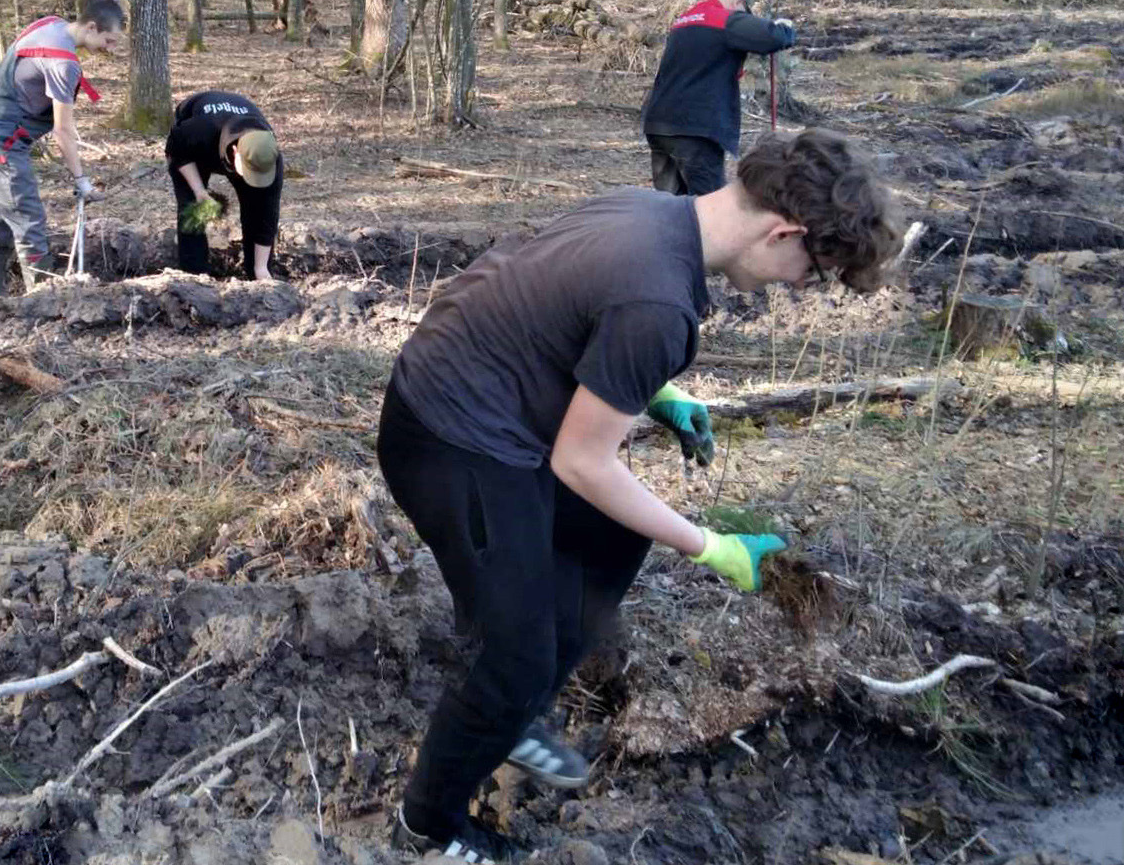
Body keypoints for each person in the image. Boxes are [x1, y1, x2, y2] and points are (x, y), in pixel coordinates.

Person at [378, 128, 902, 862]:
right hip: (448, 438)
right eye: (812, 272)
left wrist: (651, 393)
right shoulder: (659, 299)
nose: (799, 287)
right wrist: (711, 547)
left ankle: (511, 715)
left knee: (612, 537)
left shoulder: (654, 214)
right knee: (515, 653)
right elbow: (583, 464)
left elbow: (563, 311)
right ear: (785, 231)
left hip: (483, 400)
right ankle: (431, 823)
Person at [0, 0, 126, 294]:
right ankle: (45, 300)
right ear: (91, 27)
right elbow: (61, 131)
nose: (110, 48)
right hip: (2, 140)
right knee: (28, 221)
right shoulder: (63, 63)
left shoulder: (50, 24)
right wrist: (81, 181)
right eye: (109, 40)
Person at [641, 0, 797, 196]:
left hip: (659, 124)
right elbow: (773, 37)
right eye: (744, 12)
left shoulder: (685, 20)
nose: (744, 17)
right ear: (737, 1)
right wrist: (785, 27)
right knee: (709, 203)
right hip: (695, 130)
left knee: (669, 202)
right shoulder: (724, 19)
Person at [165, 90, 283, 281]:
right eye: (249, 170)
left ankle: (255, 272)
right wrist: (199, 191)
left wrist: (261, 268)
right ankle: (195, 274)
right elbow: (176, 152)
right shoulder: (200, 130)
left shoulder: (268, 156)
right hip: (194, 147)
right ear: (235, 152)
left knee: (256, 207)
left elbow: (267, 215)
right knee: (193, 207)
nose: (253, 178)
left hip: (233, 141)